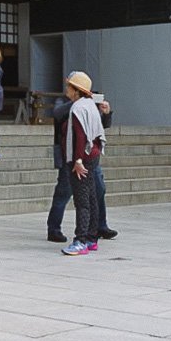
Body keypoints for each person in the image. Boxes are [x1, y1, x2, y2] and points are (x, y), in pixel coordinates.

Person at [47, 79, 116, 243]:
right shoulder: (71, 105)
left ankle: (99, 226)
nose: (66, 89)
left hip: (87, 157)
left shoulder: (86, 106)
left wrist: (106, 113)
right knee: (64, 193)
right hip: (70, 157)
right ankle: (54, 228)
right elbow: (57, 115)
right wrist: (78, 103)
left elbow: (98, 129)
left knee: (97, 192)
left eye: (69, 86)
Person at [59, 71, 106, 256]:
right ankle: (92, 238)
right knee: (92, 197)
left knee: (82, 200)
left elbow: (80, 135)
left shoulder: (77, 108)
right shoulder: (90, 105)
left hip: (83, 157)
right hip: (93, 155)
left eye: (69, 86)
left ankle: (81, 240)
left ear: (76, 90)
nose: (67, 89)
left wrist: (78, 160)